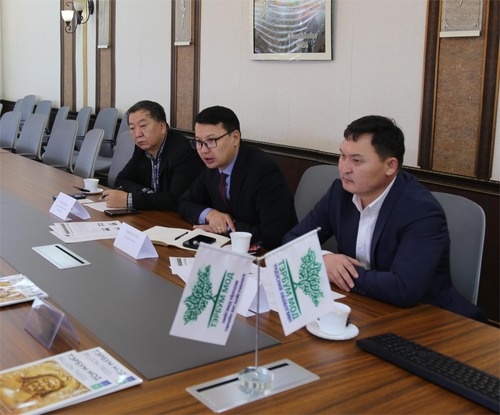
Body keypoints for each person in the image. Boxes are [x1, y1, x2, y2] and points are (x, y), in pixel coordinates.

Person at [283, 115, 485, 321]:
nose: (344, 168)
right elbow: (291, 242)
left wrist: (335, 272)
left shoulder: (421, 211)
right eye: (342, 156)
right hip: (367, 307)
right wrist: (323, 260)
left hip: (431, 317)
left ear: (390, 166)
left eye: (356, 160)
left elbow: (403, 288)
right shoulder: (340, 193)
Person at [178, 105, 297, 250]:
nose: (203, 150)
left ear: (235, 138)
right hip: (231, 249)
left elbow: (274, 234)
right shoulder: (213, 167)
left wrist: (225, 227)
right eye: (199, 142)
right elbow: (184, 202)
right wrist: (211, 215)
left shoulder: (263, 170)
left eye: (211, 141)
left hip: (271, 253)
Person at [101, 100, 204, 211]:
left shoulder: (184, 151)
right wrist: (148, 194)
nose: (137, 134)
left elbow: (177, 200)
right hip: (153, 213)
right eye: (132, 128)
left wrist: (130, 200)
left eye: (143, 125)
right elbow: (122, 179)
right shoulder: (141, 148)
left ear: (162, 127)